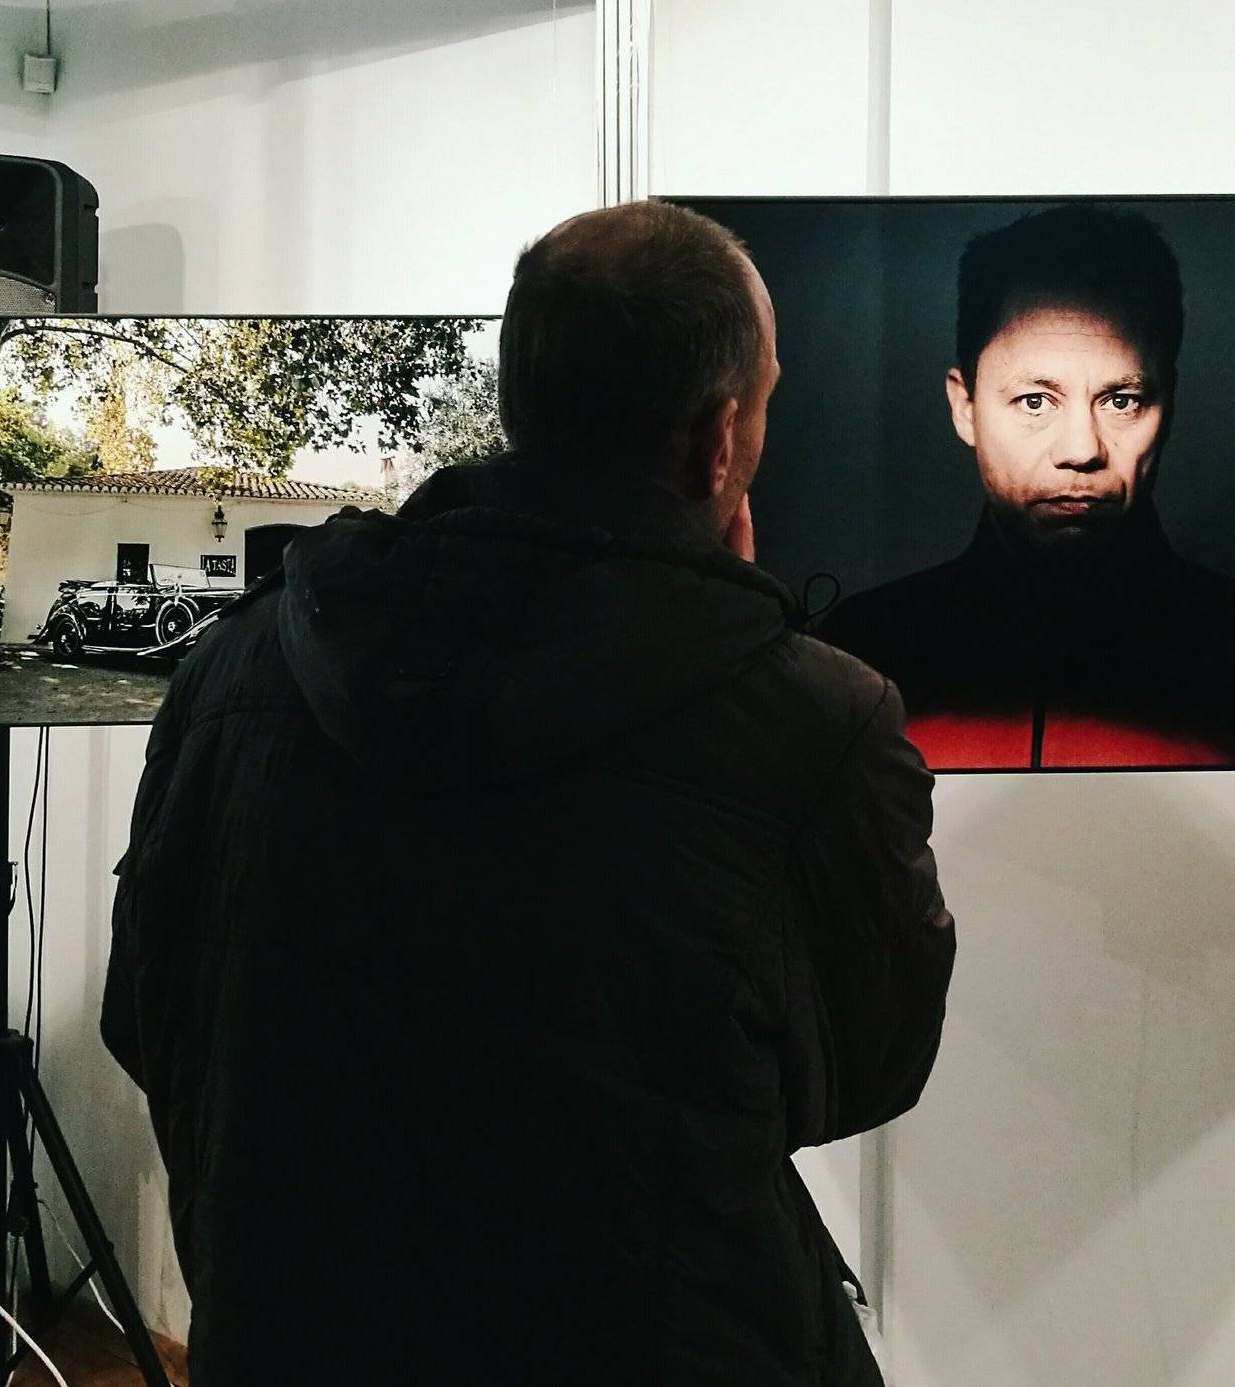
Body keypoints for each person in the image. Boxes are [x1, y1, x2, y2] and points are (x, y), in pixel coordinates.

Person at [100, 201, 956, 1386]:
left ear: (520, 394)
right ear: (719, 440)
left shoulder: (238, 664)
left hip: (298, 1334)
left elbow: (145, 1016)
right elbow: (868, 1068)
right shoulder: (818, 721)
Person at [819, 204, 1235, 769]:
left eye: (1121, 401)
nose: (1081, 449)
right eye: (1034, 401)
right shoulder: (861, 655)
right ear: (965, 406)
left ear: (1167, 405)